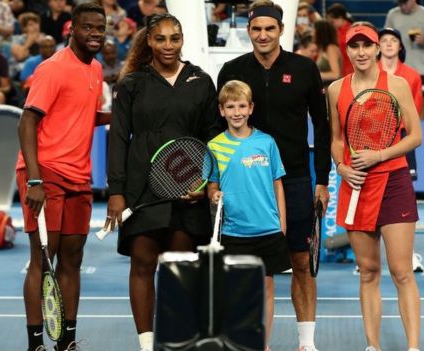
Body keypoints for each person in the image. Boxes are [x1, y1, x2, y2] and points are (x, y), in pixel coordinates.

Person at [216, 1, 331, 350]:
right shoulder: (232, 69)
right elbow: (216, 128)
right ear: (248, 31)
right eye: (256, 29)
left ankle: (306, 342)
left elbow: (322, 128)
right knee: (252, 270)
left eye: (269, 28)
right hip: (244, 186)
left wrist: (322, 180)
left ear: (282, 30)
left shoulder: (304, 69)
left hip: (295, 179)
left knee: (300, 261)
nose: (263, 35)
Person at [104, 13, 220, 351]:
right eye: (161, 39)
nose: (168, 45)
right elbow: (119, 139)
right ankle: (146, 344)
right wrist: (116, 191)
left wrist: (205, 180)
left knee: (179, 266)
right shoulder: (131, 83)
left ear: (182, 40)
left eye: (174, 38)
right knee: (142, 261)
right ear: (149, 41)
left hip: (187, 186)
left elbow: (212, 134)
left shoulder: (200, 81)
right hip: (142, 186)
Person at [16, 3, 110, 351]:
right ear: (72, 29)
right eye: (88, 27)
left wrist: (119, 116)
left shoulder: (96, 68)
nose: (95, 33)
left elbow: (81, 114)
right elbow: (26, 121)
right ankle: (36, 344)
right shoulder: (52, 69)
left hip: (78, 176)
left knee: (73, 259)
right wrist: (35, 180)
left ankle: (66, 341)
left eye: (100, 28)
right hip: (46, 173)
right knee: (43, 259)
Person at [327, 22, 422, 351]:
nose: (361, 52)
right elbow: (337, 139)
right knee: (367, 270)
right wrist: (341, 168)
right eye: (354, 46)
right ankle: (373, 346)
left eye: (367, 45)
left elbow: (415, 135)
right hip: (356, 184)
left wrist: (381, 154)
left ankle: (412, 347)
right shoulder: (336, 90)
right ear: (347, 51)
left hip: (394, 180)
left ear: (378, 48)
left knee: (402, 272)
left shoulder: (397, 85)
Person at [207, 80, 290, 351]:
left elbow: (278, 184)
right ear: (221, 110)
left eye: (242, 106)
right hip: (234, 232)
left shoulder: (266, 143)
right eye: (230, 107)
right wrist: (213, 194)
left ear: (251, 108)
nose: (236, 112)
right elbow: (212, 185)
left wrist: (282, 224)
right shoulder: (215, 146)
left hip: (268, 230)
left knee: (266, 290)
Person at [378, 27, 422, 180]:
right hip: (375, 133)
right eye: (384, 41)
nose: (389, 44)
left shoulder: (413, 75)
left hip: (403, 135)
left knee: (405, 181)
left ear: (400, 46)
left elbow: (415, 108)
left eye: (393, 40)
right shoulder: (369, 73)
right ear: (378, 46)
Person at [385, 0, 424, 119]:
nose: (402, 6)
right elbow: (386, 37)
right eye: (400, 3)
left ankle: (421, 135)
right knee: (396, 104)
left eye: (405, 2)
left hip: (422, 69)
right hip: (398, 69)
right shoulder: (392, 14)